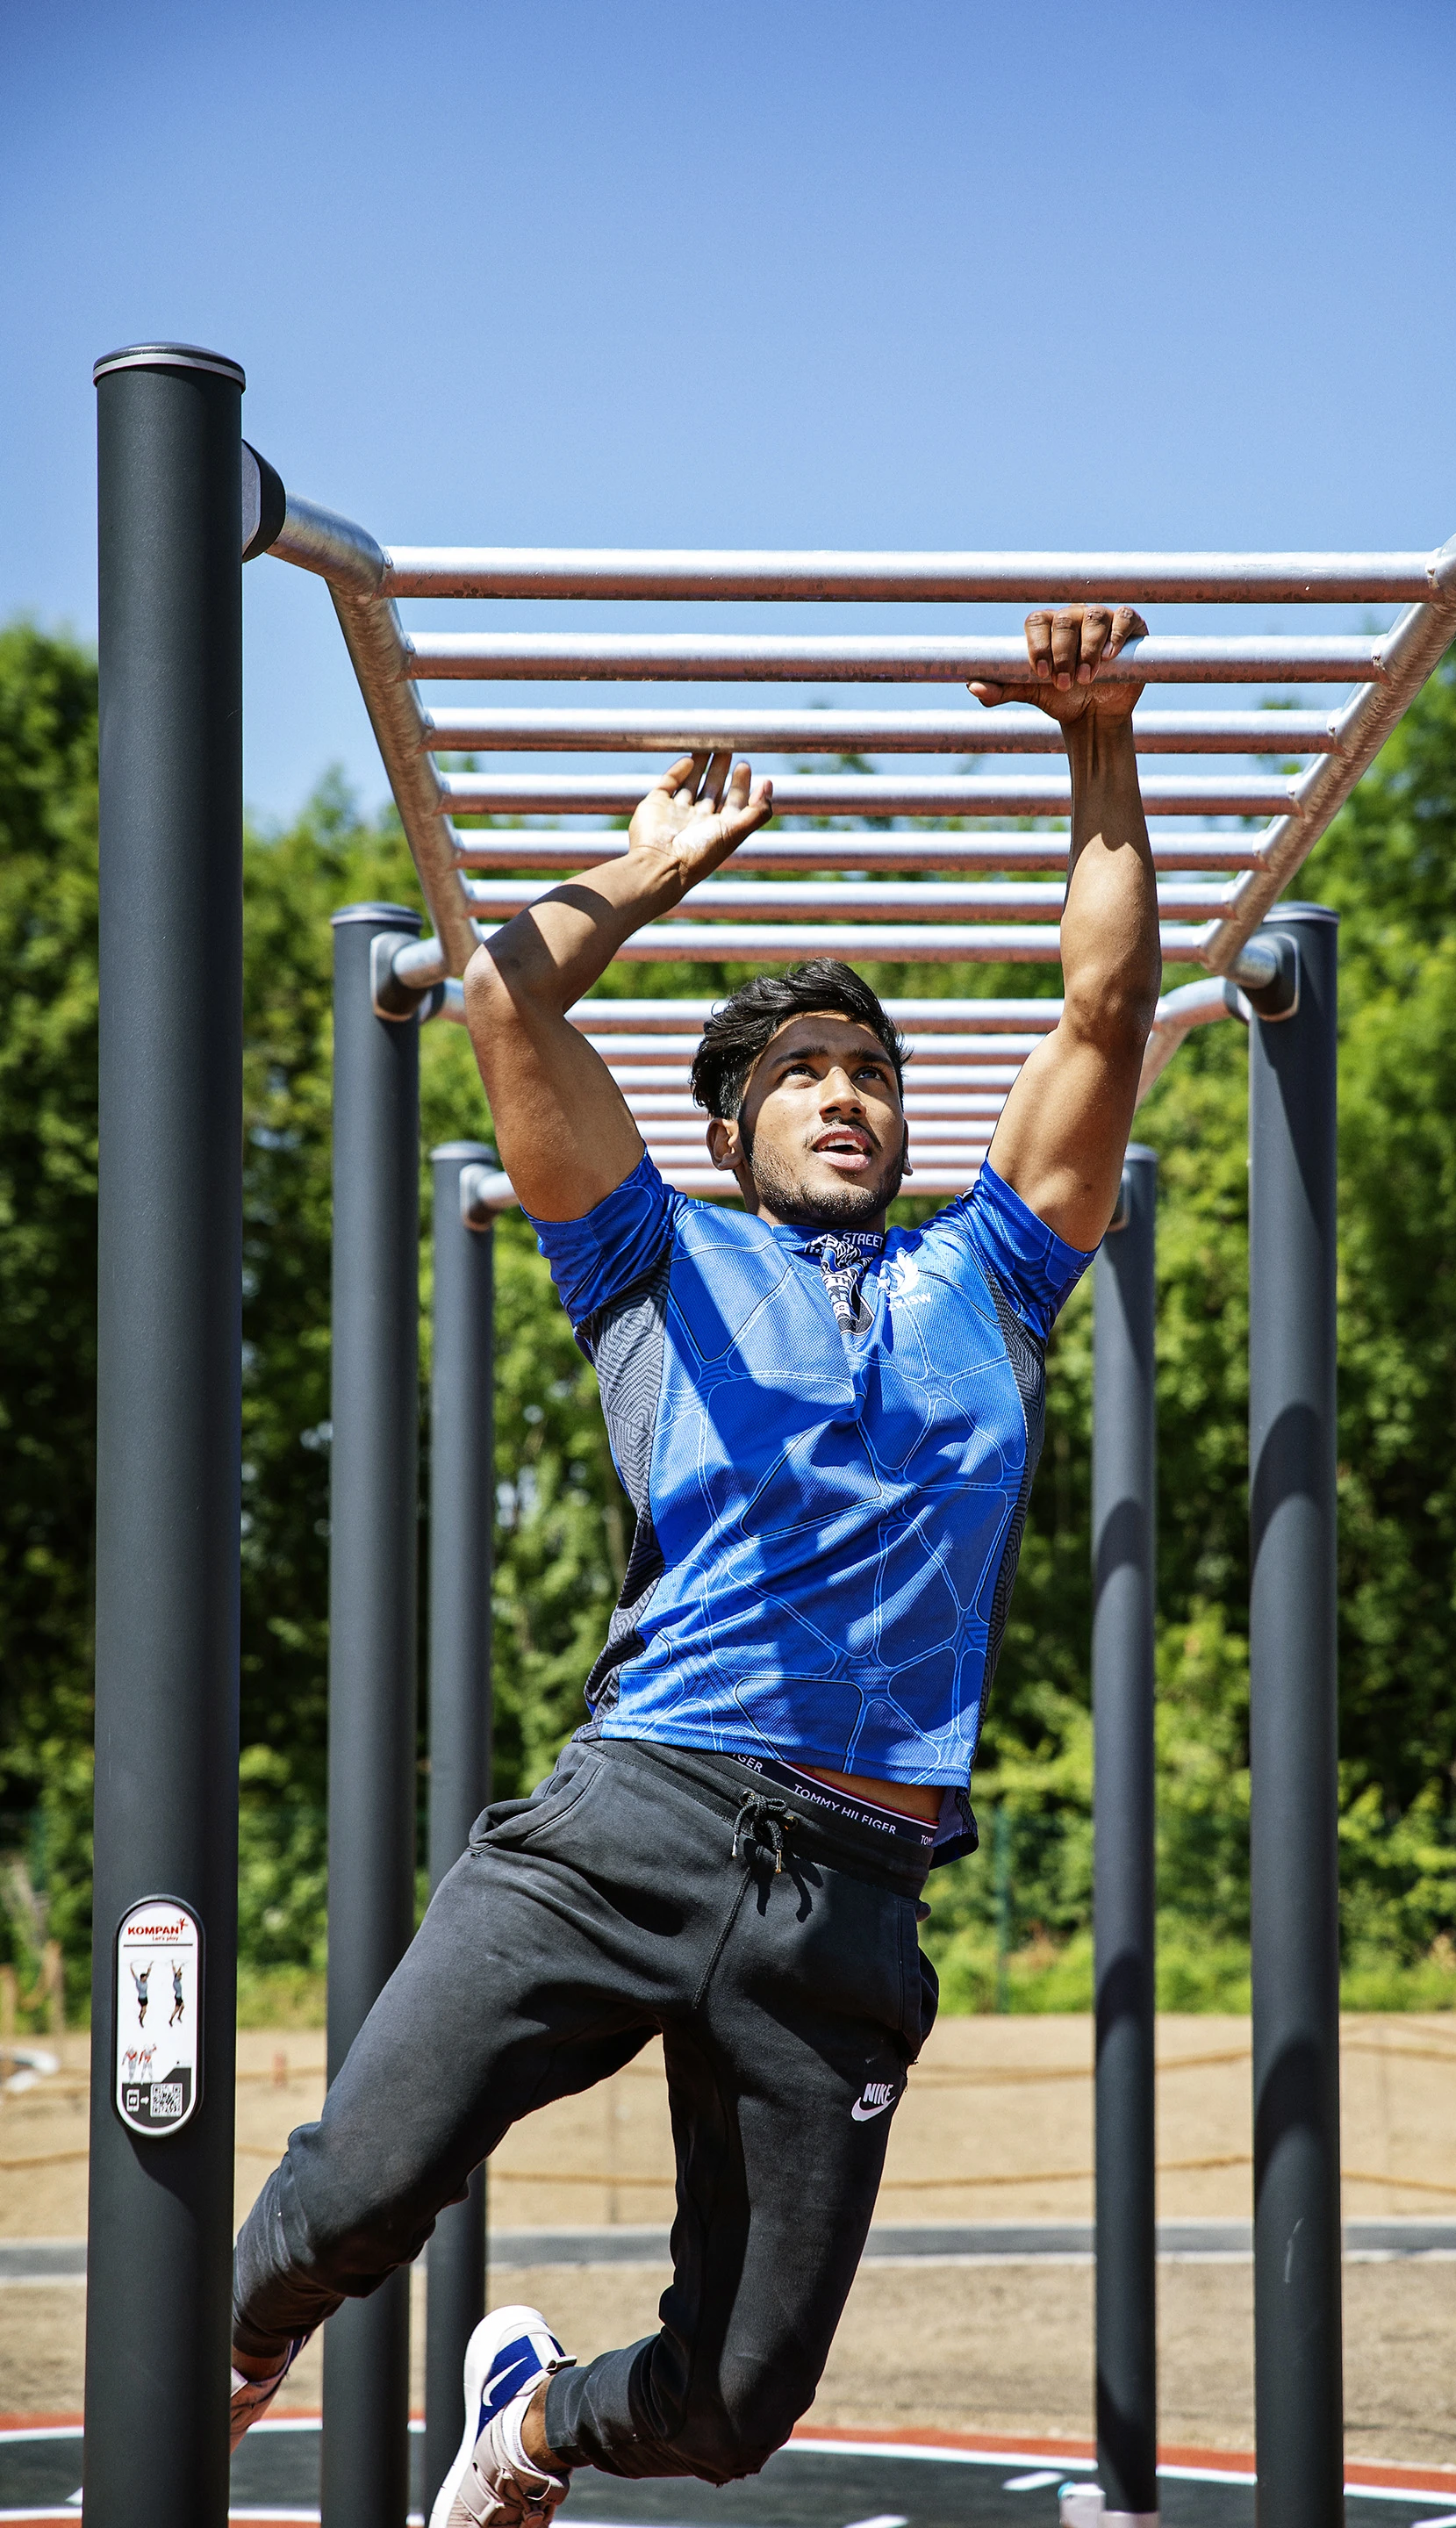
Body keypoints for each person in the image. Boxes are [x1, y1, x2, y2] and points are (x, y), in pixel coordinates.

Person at [226, 605, 1161, 2526]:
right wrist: (652, 864)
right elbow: (507, 1011)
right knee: (356, 2197)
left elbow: (1102, 1015)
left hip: (852, 1888)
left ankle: (535, 2425)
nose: (846, 1091)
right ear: (732, 1129)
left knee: (736, 2402)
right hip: (638, 1810)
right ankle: (214, 2369)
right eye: (802, 1071)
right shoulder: (653, 1263)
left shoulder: (991, 1281)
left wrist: (1097, 739)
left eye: (869, 1069)